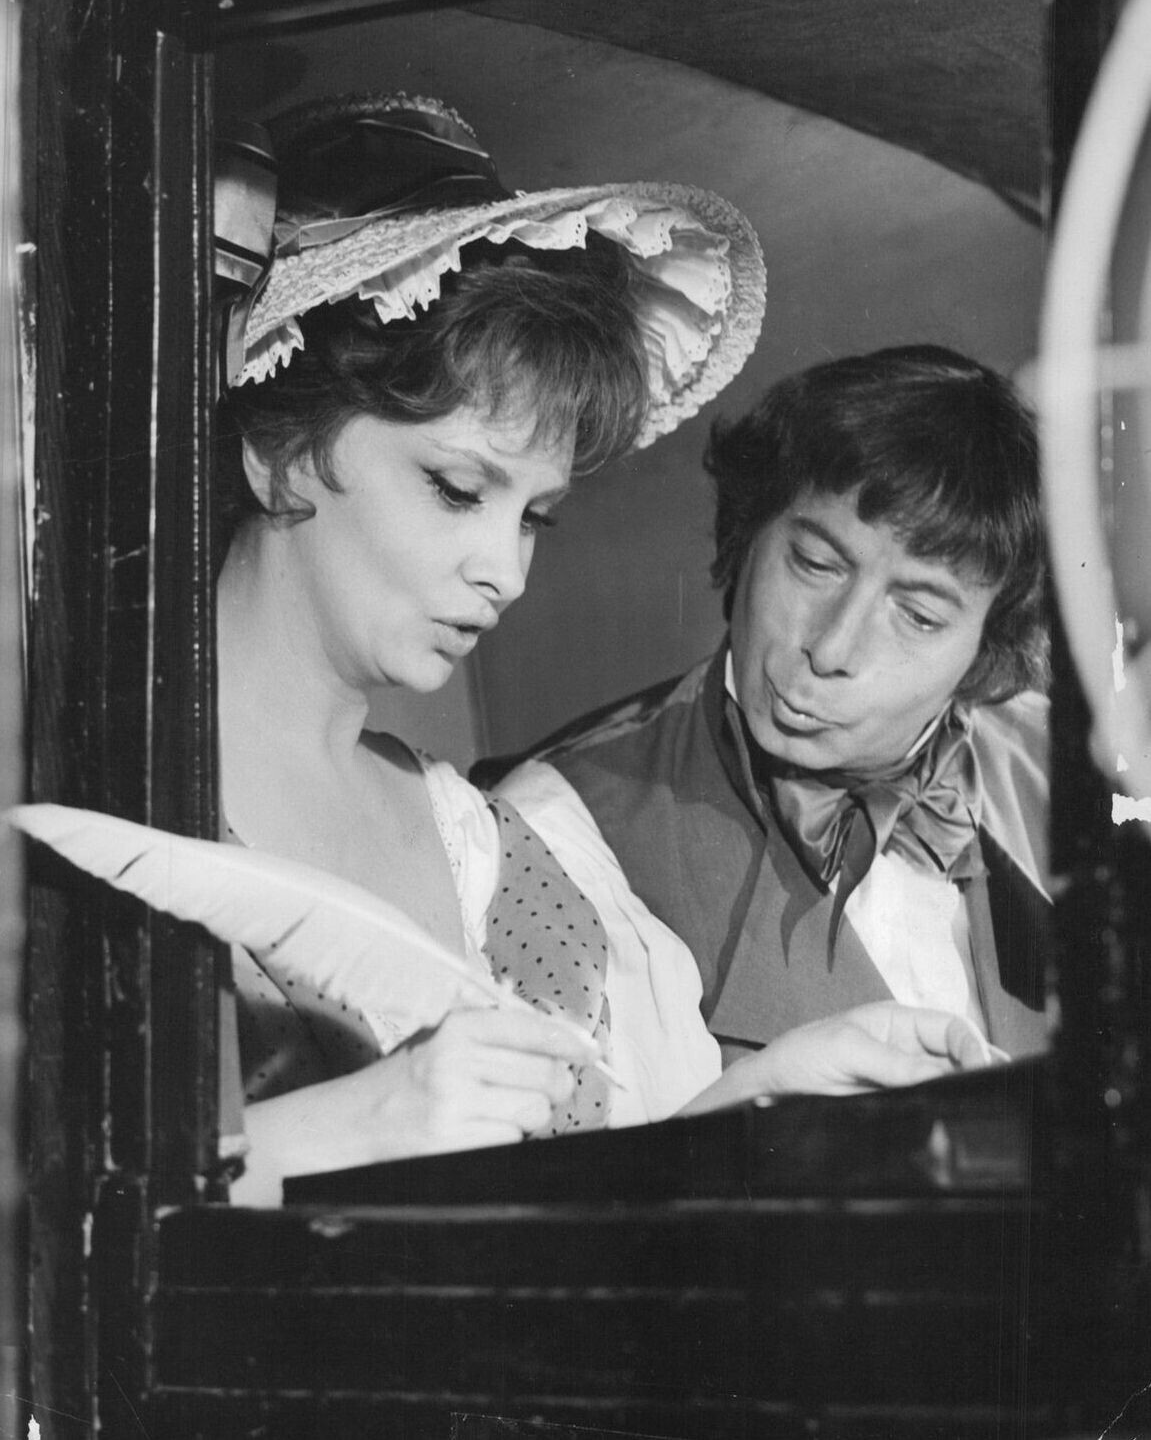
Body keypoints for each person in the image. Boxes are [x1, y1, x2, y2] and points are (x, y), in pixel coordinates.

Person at [213, 98, 1001, 1206]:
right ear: (279, 448)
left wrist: (755, 1102)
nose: (505, 571)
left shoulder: (490, 847)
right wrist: (368, 1117)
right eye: (457, 488)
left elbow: (586, 1208)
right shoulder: (101, 807)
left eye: (535, 517)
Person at [497, 347, 1050, 1068]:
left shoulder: (1075, 769)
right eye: (815, 564)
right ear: (748, 531)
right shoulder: (551, 827)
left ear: (984, 653)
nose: (831, 647)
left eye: (917, 616)